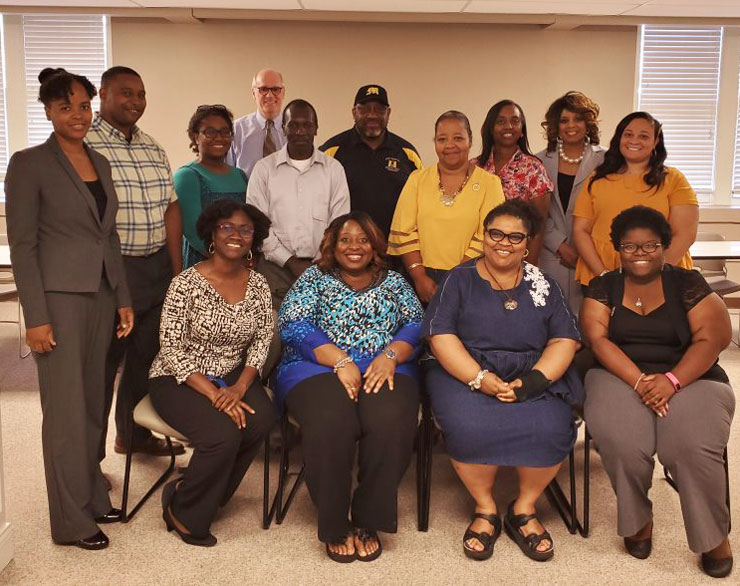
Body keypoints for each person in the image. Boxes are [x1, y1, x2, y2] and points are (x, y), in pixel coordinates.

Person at [6, 68, 134, 550]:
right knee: (64, 411)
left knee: (92, 404)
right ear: (49, 111)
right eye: (67, 107)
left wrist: (122, 296)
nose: (78, 115)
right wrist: (34, 317)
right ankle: (71, 521)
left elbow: (109, 236)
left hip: (100, 296)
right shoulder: (29, 163)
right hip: (57, 302)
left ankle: (91, 494)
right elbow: (22, 245)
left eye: (84, 106)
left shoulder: (99, 161)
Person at [423, 199, 582, 562]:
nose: (504, 242)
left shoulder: (546, 284)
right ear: (483, 236)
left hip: (533, 371)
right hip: (464, 369)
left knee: (552, 426)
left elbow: (564, 340)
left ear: (528, 243)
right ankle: (485, 509)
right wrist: (479, 379)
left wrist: (534, 382)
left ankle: (524, 509)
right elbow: (441, 337)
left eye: (515, 236)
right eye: (496, 233)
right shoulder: (457, 279)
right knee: (469, 424)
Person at [581, 206, 734, 579]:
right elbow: (597, 339)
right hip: (618, 374)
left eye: (649, 245)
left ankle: (713, 537)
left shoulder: (688, 283)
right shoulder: (605, 285)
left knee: (687, 445)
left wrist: (671, 381)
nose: (640, 254)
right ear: (617, 248)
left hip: (692, 376)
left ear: (665, 246)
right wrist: (638, 381)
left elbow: (714, 338)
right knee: (621, 440)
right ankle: (637, 521)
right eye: (630, 246)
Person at [276, 212, 423, 562]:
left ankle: (368, 518)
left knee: (390, 421)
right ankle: (334, 522)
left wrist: (389, 355)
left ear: (375, 246)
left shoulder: (395, 281)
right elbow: (292, 323)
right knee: (331, 422)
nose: (354, 246)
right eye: (345, 239)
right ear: (332, 244)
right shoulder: (315, 277)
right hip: (315, 366)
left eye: (363, 239)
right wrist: (340, 361)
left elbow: (417, 323)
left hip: (384, 365)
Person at [148, 200, 276, 547]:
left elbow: (263, 339)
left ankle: (208, 489)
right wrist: (216, 394)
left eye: (245, 229)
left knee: (261, 418)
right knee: (223, 434)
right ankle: (184, 512)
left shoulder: (259, 285)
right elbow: (171, 347)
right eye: (227, 227)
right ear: (211, 234)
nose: (236, 235)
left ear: (255, 237)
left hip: (233, 373)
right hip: (179, 376)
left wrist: (240, 386)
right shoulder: (185, 284)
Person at [85, 65, 185, 461]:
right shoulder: (84, 144)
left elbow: (171, 208)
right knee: (103, 365)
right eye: (126, 93)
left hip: (155, 267)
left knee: (146, 357)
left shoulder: (152, 147)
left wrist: (175, 270)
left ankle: (133, 435)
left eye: (141, 94)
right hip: (110, 271)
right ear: (103, 94)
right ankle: (88, 463)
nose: (135, 102)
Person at [388, 110, 505, 304]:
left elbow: (491, 234)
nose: (450, 145)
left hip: (472, 278)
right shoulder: (417, 179)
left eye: (458, 138)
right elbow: (404, 231)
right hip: (420, 281)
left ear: (470, 140)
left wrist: (456, 278)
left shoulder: (490, 183)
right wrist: (419, 277)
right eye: (442, 139)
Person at [572, 111, 699, 286]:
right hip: (603, 276)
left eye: (644, 136)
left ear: (655, 142)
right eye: (628, 134)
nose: (634, 141)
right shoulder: (597, 179)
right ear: (619, 138)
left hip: (662, 278)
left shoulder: (674, 179)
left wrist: (653, 275)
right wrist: (603, 275)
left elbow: (685, 234)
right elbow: (580, 230)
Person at [247, 99, 350, 306]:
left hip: (325, 267)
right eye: (293, 125)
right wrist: (289, 261)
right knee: (275, 333)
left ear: (316, 128)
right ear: (283, 128)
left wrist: (322, 258)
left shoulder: (333, 169)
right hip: (275, 270)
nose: (300, 131)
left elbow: (340, 222)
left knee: (320, 333)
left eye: (307, 125)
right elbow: (257, 223)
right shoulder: (264, 169)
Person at [320, 84, 422, 237]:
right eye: (364, 109)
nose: (372, 115)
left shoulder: (407, 154)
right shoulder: (331, 152)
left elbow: (420, 206)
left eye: (379, 109)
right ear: (354, 112)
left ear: (388, 113)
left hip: (395, 253)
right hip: (348, 251)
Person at [536, 91, 605, 313]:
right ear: (555, 126)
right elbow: (536, 213)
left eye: (577, 119)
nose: (570, 125)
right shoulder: (539, 161)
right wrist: (559, 244)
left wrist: (582, 247)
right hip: (550, 252)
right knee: (550, 315)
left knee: (590, 319)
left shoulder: (606, 160)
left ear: (588, 123)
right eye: (564, 120)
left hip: (592, 253)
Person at [475, 99, 552, 264]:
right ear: (490, 128)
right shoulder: (474, 167)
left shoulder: (533, 168)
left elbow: (539, 226)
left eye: (515, 121)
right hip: (475, 256)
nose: (508, 126)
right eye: (501, 121)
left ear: (522, 130)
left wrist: (528, 268)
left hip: (515, 258)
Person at [174, 104, 248, 269]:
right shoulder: (187, 176)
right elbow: (195, 233)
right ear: (195, 136)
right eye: (210, 132)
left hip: (241, 265)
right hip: (204, 266)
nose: (219, 137)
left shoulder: (241, 175)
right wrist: (228, 263)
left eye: (225, 132)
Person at [227, 68, 287, 177]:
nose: (269, 95)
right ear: (254, 93)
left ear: (283, 93)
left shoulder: (298, 132)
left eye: (275, 89)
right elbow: (227, 175)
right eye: (263, 89)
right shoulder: (236, 130)